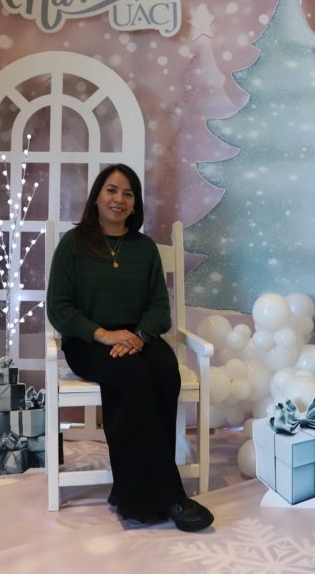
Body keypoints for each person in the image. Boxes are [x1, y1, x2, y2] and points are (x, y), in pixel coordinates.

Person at [46, 163, 214, 531]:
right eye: (111, 190)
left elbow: (159, 309)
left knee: (165, 371)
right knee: (133, 375)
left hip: (138, 337)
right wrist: (105, 335)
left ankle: (129, 491)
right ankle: (171, 496)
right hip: (88, 342)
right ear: (97, 196)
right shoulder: (73, 244)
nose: (118, 199)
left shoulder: (144, 248)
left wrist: (137, 336)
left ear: (135, 204)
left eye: (127, 193)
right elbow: (59, 309)